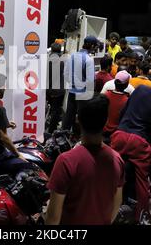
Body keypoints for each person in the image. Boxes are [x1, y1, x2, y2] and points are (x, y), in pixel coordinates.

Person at [45, 94, 124, 225]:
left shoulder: (66, 161)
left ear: (78, 120)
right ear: (106, 122)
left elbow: (53, 218)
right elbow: (116, 204)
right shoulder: (117, 159)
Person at [110, 74, 151, 221]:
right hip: (140, 142)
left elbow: (123, 112)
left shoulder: (139, 90)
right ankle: (142, 215)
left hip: (119, 135)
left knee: (109, 168)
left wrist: (120, 128)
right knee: (142, 182)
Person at [62, 36, 97, 131]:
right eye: (95, 46)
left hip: (72, 91)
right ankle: (81, 141)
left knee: (68, 117)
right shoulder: (88, 59)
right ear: (92, 46)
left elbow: (65, 74)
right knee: (82, 119)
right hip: (83, 94)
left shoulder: (72, 56)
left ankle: (62, 138)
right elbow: (90, 81)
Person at [103, 71, 131, 140]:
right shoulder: (127, 101)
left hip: (103, 131)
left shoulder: (106, 95)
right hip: (116, 134)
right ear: (127, 85)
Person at [47, 43, 65, 133]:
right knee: (56, 111)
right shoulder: (62, 61)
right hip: (59, 91)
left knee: (50, 109)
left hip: (48, 90)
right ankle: (51, 130)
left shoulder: (46, 60)